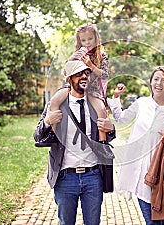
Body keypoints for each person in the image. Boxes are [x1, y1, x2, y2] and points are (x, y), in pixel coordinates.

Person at [33, 60, 115, 225]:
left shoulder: (95, 104)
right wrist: (48, 121)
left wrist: (111, 128)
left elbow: (107, 138)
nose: (84, 76)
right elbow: (37, 136)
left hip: (93, 176)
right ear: (69, 79)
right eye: (79, 74)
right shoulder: (56, 105)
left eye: (86, 73)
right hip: (65, 177)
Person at [107, 66, 164, 225]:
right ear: (150, 82)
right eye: (156, 79)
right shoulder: (142, 103)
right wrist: (115, 97)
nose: (159, 83)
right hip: (139, 173)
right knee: (152, 222)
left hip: (159, 173)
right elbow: (121, 118)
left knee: (158, 222)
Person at [49, 23, 109, 142]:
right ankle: (53, 135)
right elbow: (66, 73)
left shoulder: (102, 55)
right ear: (79, 41)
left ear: (96, 38)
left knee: (101, 110)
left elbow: (105, 74)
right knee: (55, 101)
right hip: (74, 86)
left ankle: (103, 142)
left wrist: (90, 65)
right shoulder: (78, 53)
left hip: (92, 89)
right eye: (83, 40)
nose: (87, 43)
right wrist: (71, 59)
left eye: (90, 39)